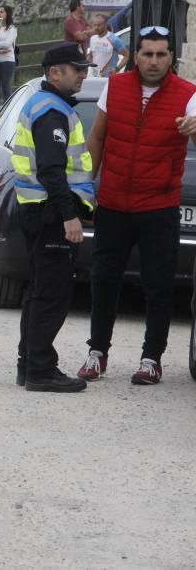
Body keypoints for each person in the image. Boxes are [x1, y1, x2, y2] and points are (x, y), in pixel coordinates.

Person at [76, 26, 196, 385]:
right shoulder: (115, 87)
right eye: (147, 54)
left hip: (158, 207)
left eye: (161, 55)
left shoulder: (189, 95)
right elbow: (97, 136)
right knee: (103, 281)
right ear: (136, 55)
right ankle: (97, 353)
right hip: (112, 203)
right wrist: (85, 188)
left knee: (159, 284)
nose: (154, 62)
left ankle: (151, 359)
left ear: (171, 57)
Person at [11, 43, 95, 392]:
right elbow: (51, 169)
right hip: (51, 213)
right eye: (76, 69)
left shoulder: (49, 105)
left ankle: (29, 364)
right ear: (54, 72)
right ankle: (41, 371)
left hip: (38, 211)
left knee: (39, 292)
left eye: (84, 68)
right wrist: (69, 216)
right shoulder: (51, 111)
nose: (83, 75)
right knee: (52, 295)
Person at [0, 5, 18, 115]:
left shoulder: (12, 29)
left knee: (6, 87)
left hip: (7, 61)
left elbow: (7, 43)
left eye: (2, 12)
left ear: (7, 14)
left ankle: (8, 112)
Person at [86, 13, 127, 78]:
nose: (96, 28)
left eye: (99, 25)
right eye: (95, 25)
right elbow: (91, 57)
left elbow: (127, 56)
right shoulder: (92, 38)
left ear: (105, 25)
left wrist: (117, 69)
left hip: (109, 79)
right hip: (95, 77)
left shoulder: (114, 39)